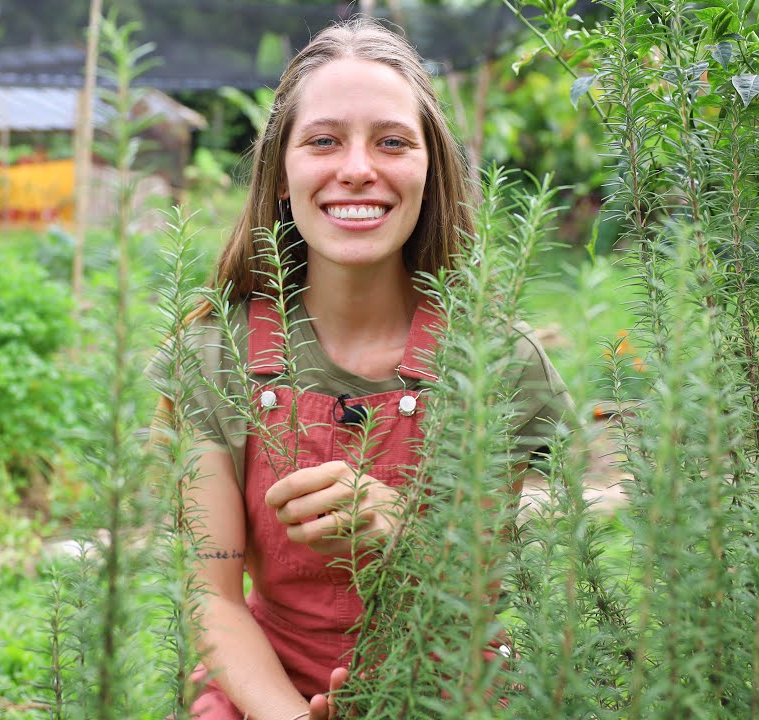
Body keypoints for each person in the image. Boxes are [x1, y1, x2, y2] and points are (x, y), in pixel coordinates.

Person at [148, 17, 571, 720]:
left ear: (430, 172)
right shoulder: (215, 354)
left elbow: (480, 597)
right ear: (281, 177)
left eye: (392, 142)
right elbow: (213, 599)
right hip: (265, 686)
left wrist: (406, 531)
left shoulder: (498, 364)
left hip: (447, 691)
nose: (356, 168)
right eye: (323, 140)